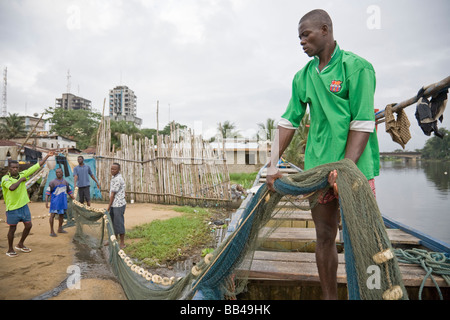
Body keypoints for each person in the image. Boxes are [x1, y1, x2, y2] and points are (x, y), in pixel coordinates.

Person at [266, 9, 380, 299]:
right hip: (318, 169)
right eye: (299, 37)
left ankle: (366, 294)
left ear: (325, 30)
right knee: (325, 235)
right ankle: (330, 297)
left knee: (362, 239)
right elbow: (288, 121)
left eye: (307, 35)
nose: (302, 42)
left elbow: (363, 123)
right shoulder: (302, 77)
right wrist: (272, 164)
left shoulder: (357, 67)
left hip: (356, 168)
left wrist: (344, 169)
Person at [2, 151, 55, 257]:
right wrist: (21, 180)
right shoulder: (5, 179)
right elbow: (12, 188)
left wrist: (47, 156)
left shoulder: (22, 174)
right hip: (12, 208)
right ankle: (10, 249)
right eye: (13, 168)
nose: (15, 169)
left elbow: (36, 166)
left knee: (29, 225)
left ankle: (20, 244)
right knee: (13, 228)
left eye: (17, 167)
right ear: (9, 169)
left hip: (23, 206)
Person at [46, 167, 75, 237]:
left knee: (61, 215)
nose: (58, 173)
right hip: (55, 202)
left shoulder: (65, 182)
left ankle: (60, 228)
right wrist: (46, 202)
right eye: (56, 172)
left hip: (62, 202)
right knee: (52, 215)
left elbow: (69, 191)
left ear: (62, 173)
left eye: (59, 172)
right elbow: (48, 192)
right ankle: (52, 231)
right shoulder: (52, 182)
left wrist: (73, 197)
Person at [107, 163, 126, 249]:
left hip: (118, 204)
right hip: (114, 204)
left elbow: (112, 194)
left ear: (118, 170)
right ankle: (114, 240)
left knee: (119, 223)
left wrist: (108, 206)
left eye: (114, 169)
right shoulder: (114, 177)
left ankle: (122, 243)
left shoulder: (118, 179)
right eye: (111, 169)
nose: (112, 171)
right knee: (113, 223)